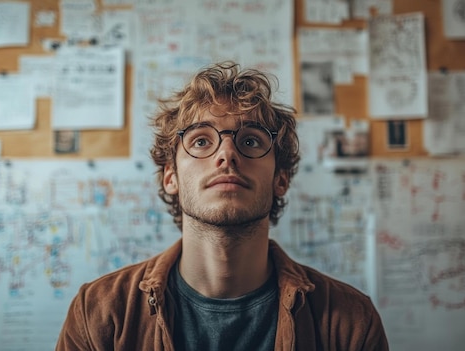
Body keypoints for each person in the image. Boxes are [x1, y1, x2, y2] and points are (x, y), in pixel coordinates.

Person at [55, 61, 389, 350]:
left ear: (280, 179)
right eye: (201, 140)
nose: (226, 154)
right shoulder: (99, 313)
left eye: (250, 141)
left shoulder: (351, 322)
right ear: (170, 176)